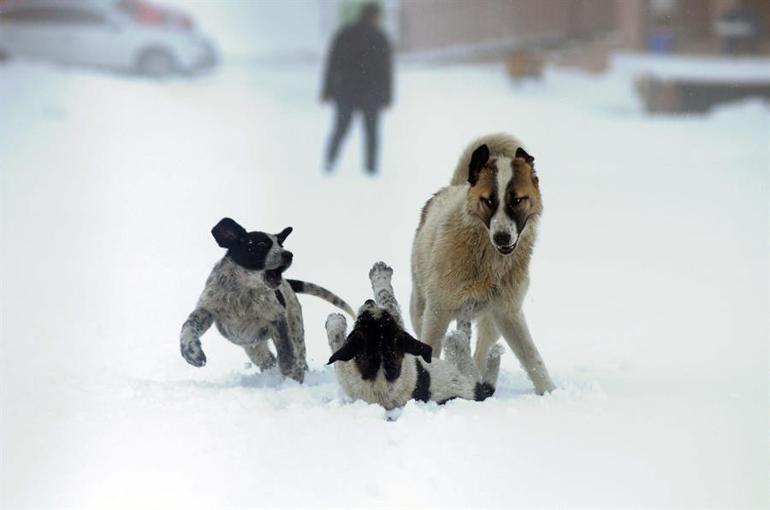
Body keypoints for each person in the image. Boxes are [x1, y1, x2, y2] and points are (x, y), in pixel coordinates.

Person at [321, 2, 392, 174]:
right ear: (374, 16)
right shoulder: (380, 37)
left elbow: (332, 64)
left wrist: (327, 89)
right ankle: (371, 168)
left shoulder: (345, 34)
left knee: (341, 128)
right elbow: (386, 70)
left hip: (346, 91)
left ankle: (330, 162)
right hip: (371, 93)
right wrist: (387, 96)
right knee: (371, 133)